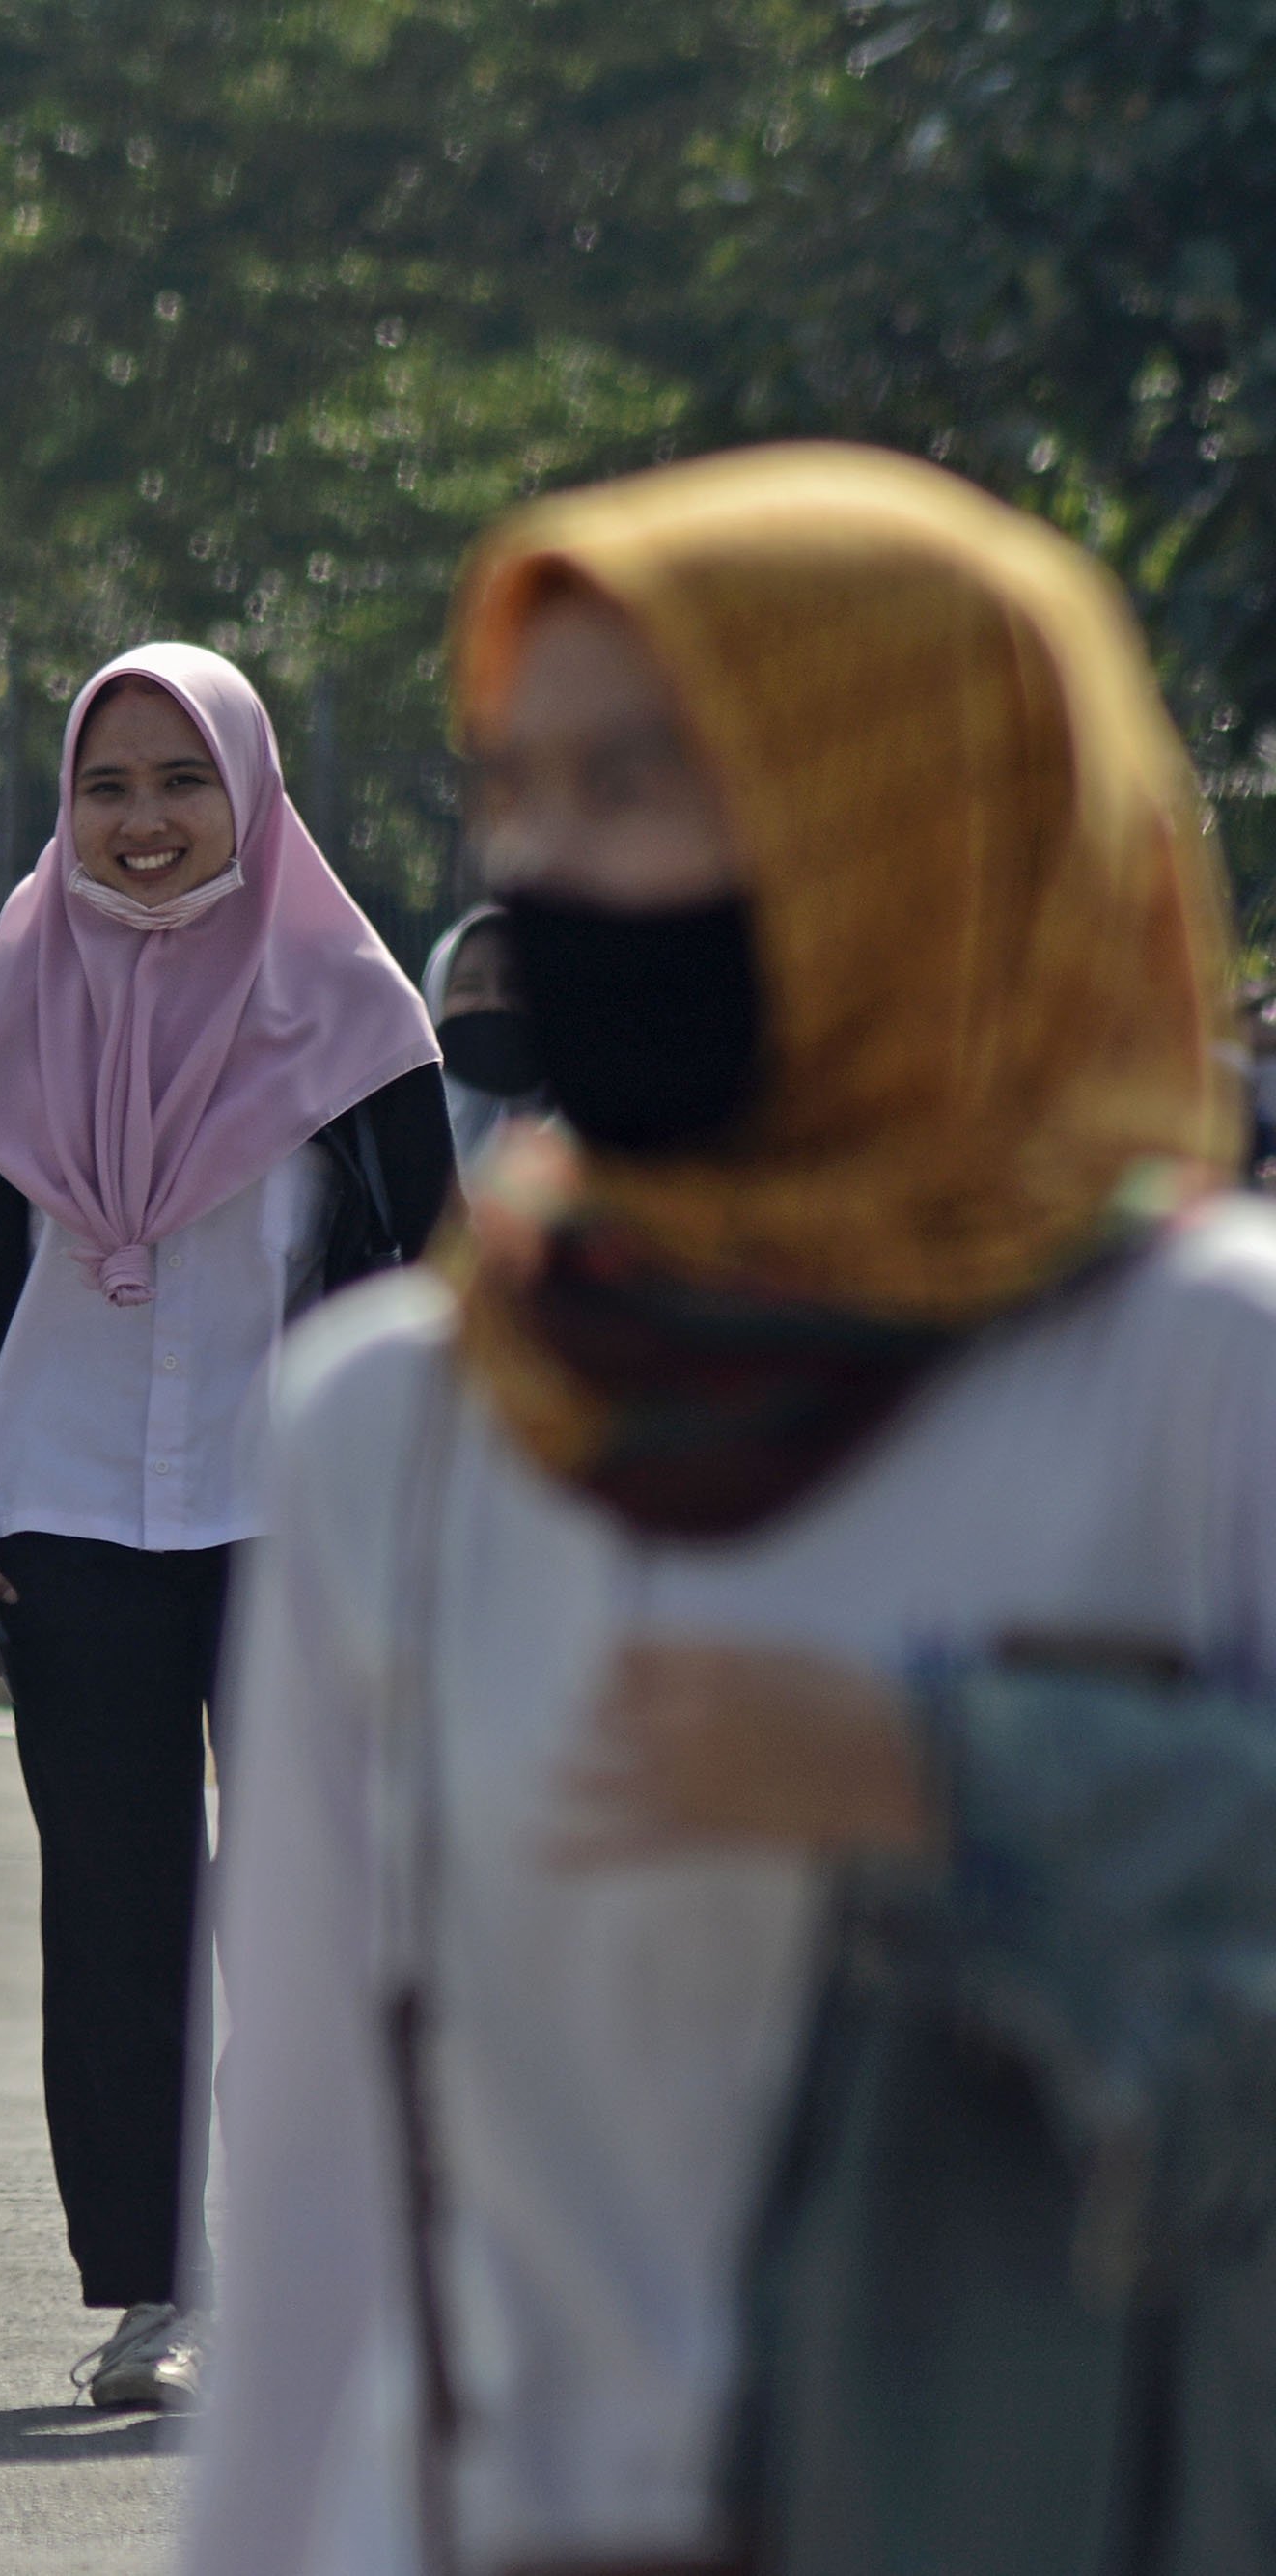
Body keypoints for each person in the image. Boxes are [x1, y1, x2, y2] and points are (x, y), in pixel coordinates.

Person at [188, 445, 1276, 2576]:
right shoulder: (403, 1419)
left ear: (900, 811)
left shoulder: (1194, 1369)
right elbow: (310, 2180)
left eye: (639, 781)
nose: (544, 862)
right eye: (518, 785)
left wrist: (961, 1778)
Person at [0, 643, 450, 2411]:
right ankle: (152, 2292)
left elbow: (437, 1282)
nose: (144, 821)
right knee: (118, 1916)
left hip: (300, 1518)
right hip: (65, 1516)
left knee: (308, 1911)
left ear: (251, 791)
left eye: (180, 781)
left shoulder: (354, 1012)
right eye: (107, 785)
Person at [420, 902, 544, 1170]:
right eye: (468, 988)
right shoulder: (407, 1145)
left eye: (515, 987)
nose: (495, 1003)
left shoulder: (589, 1148)